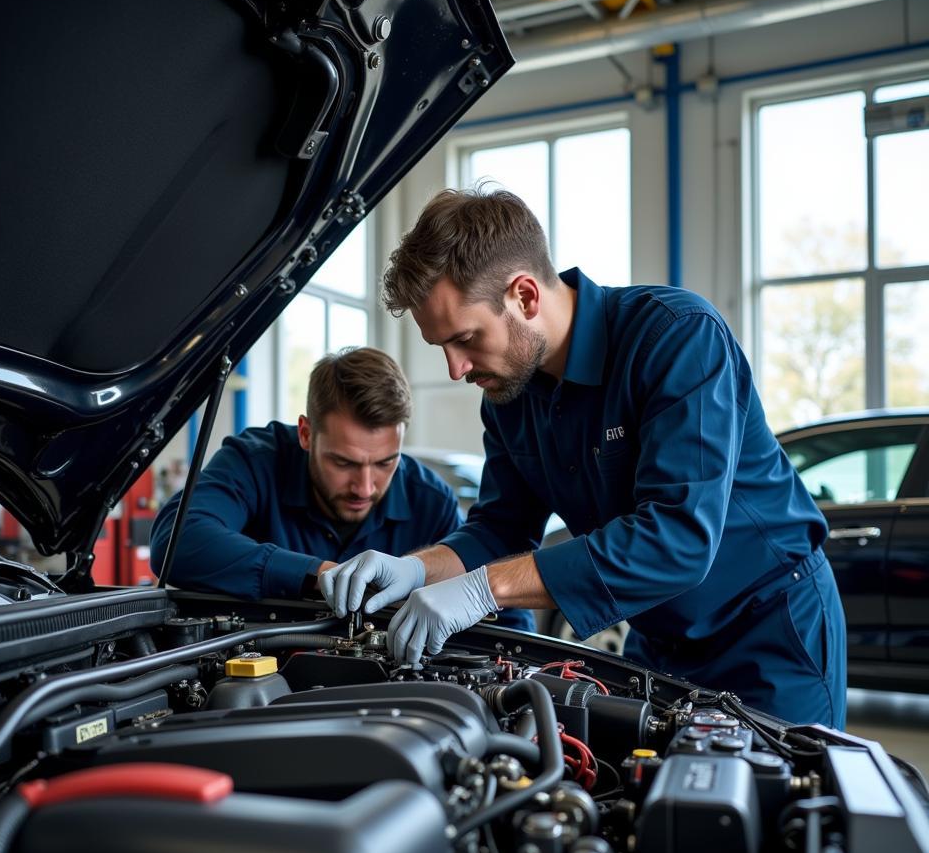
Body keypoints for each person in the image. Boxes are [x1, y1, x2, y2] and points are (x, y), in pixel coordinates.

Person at [321, 189, 846, 728]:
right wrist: (415, 569)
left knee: (778, 802)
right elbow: (501, 529)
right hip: (658, 640)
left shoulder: (676, 337)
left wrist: (484, 589)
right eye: (442, 348)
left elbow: (679, 538)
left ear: (525, 295)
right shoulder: (508, 397)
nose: (456, 369)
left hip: (768, 631)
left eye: (466, 339)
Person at [149, 345, 533, 631]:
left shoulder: (429, 500)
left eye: (385, 462)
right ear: (305, 433)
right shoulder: (255, 461)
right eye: (344, 462)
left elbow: (510, 620)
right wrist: (316, 575)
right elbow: (177, 540)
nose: (364, 487)